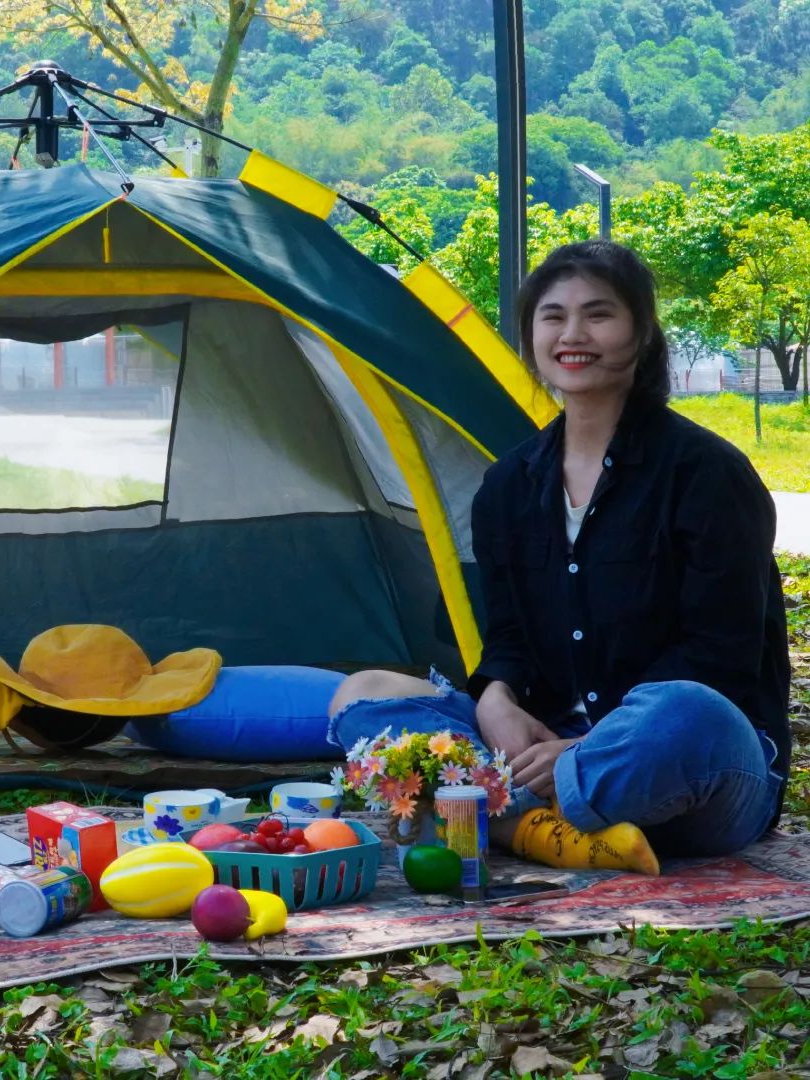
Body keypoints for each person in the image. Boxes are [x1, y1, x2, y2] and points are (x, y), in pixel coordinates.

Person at [329, 239, 790, 875]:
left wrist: (584, 749)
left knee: (685, 712)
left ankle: (491, 808)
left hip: (692, 771)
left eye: (599, 314)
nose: (574, 334)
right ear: (530, 334)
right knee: (364, 693)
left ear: (642, 333)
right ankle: (547, 828)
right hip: (546, 747)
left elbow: (723, 657)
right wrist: (495, 697)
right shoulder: (509, 485)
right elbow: (510, 638)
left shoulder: (708, 474)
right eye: (553, 316)